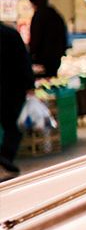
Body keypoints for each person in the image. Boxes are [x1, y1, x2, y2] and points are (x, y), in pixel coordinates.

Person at [1, 22, 35, 179]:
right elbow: (24, 61)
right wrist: (30, 85)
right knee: (13, 127)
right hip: (12, 90)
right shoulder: (10, 34)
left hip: (11, 89)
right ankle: (5, 158)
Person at [27, 0, 68, 77]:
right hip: (56, 56)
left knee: (43, 81)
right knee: (52, 79)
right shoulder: (55, 14)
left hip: (43, 58)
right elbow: (64, 34)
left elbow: (36, 37)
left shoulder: (39, 16)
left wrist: (31, 53)